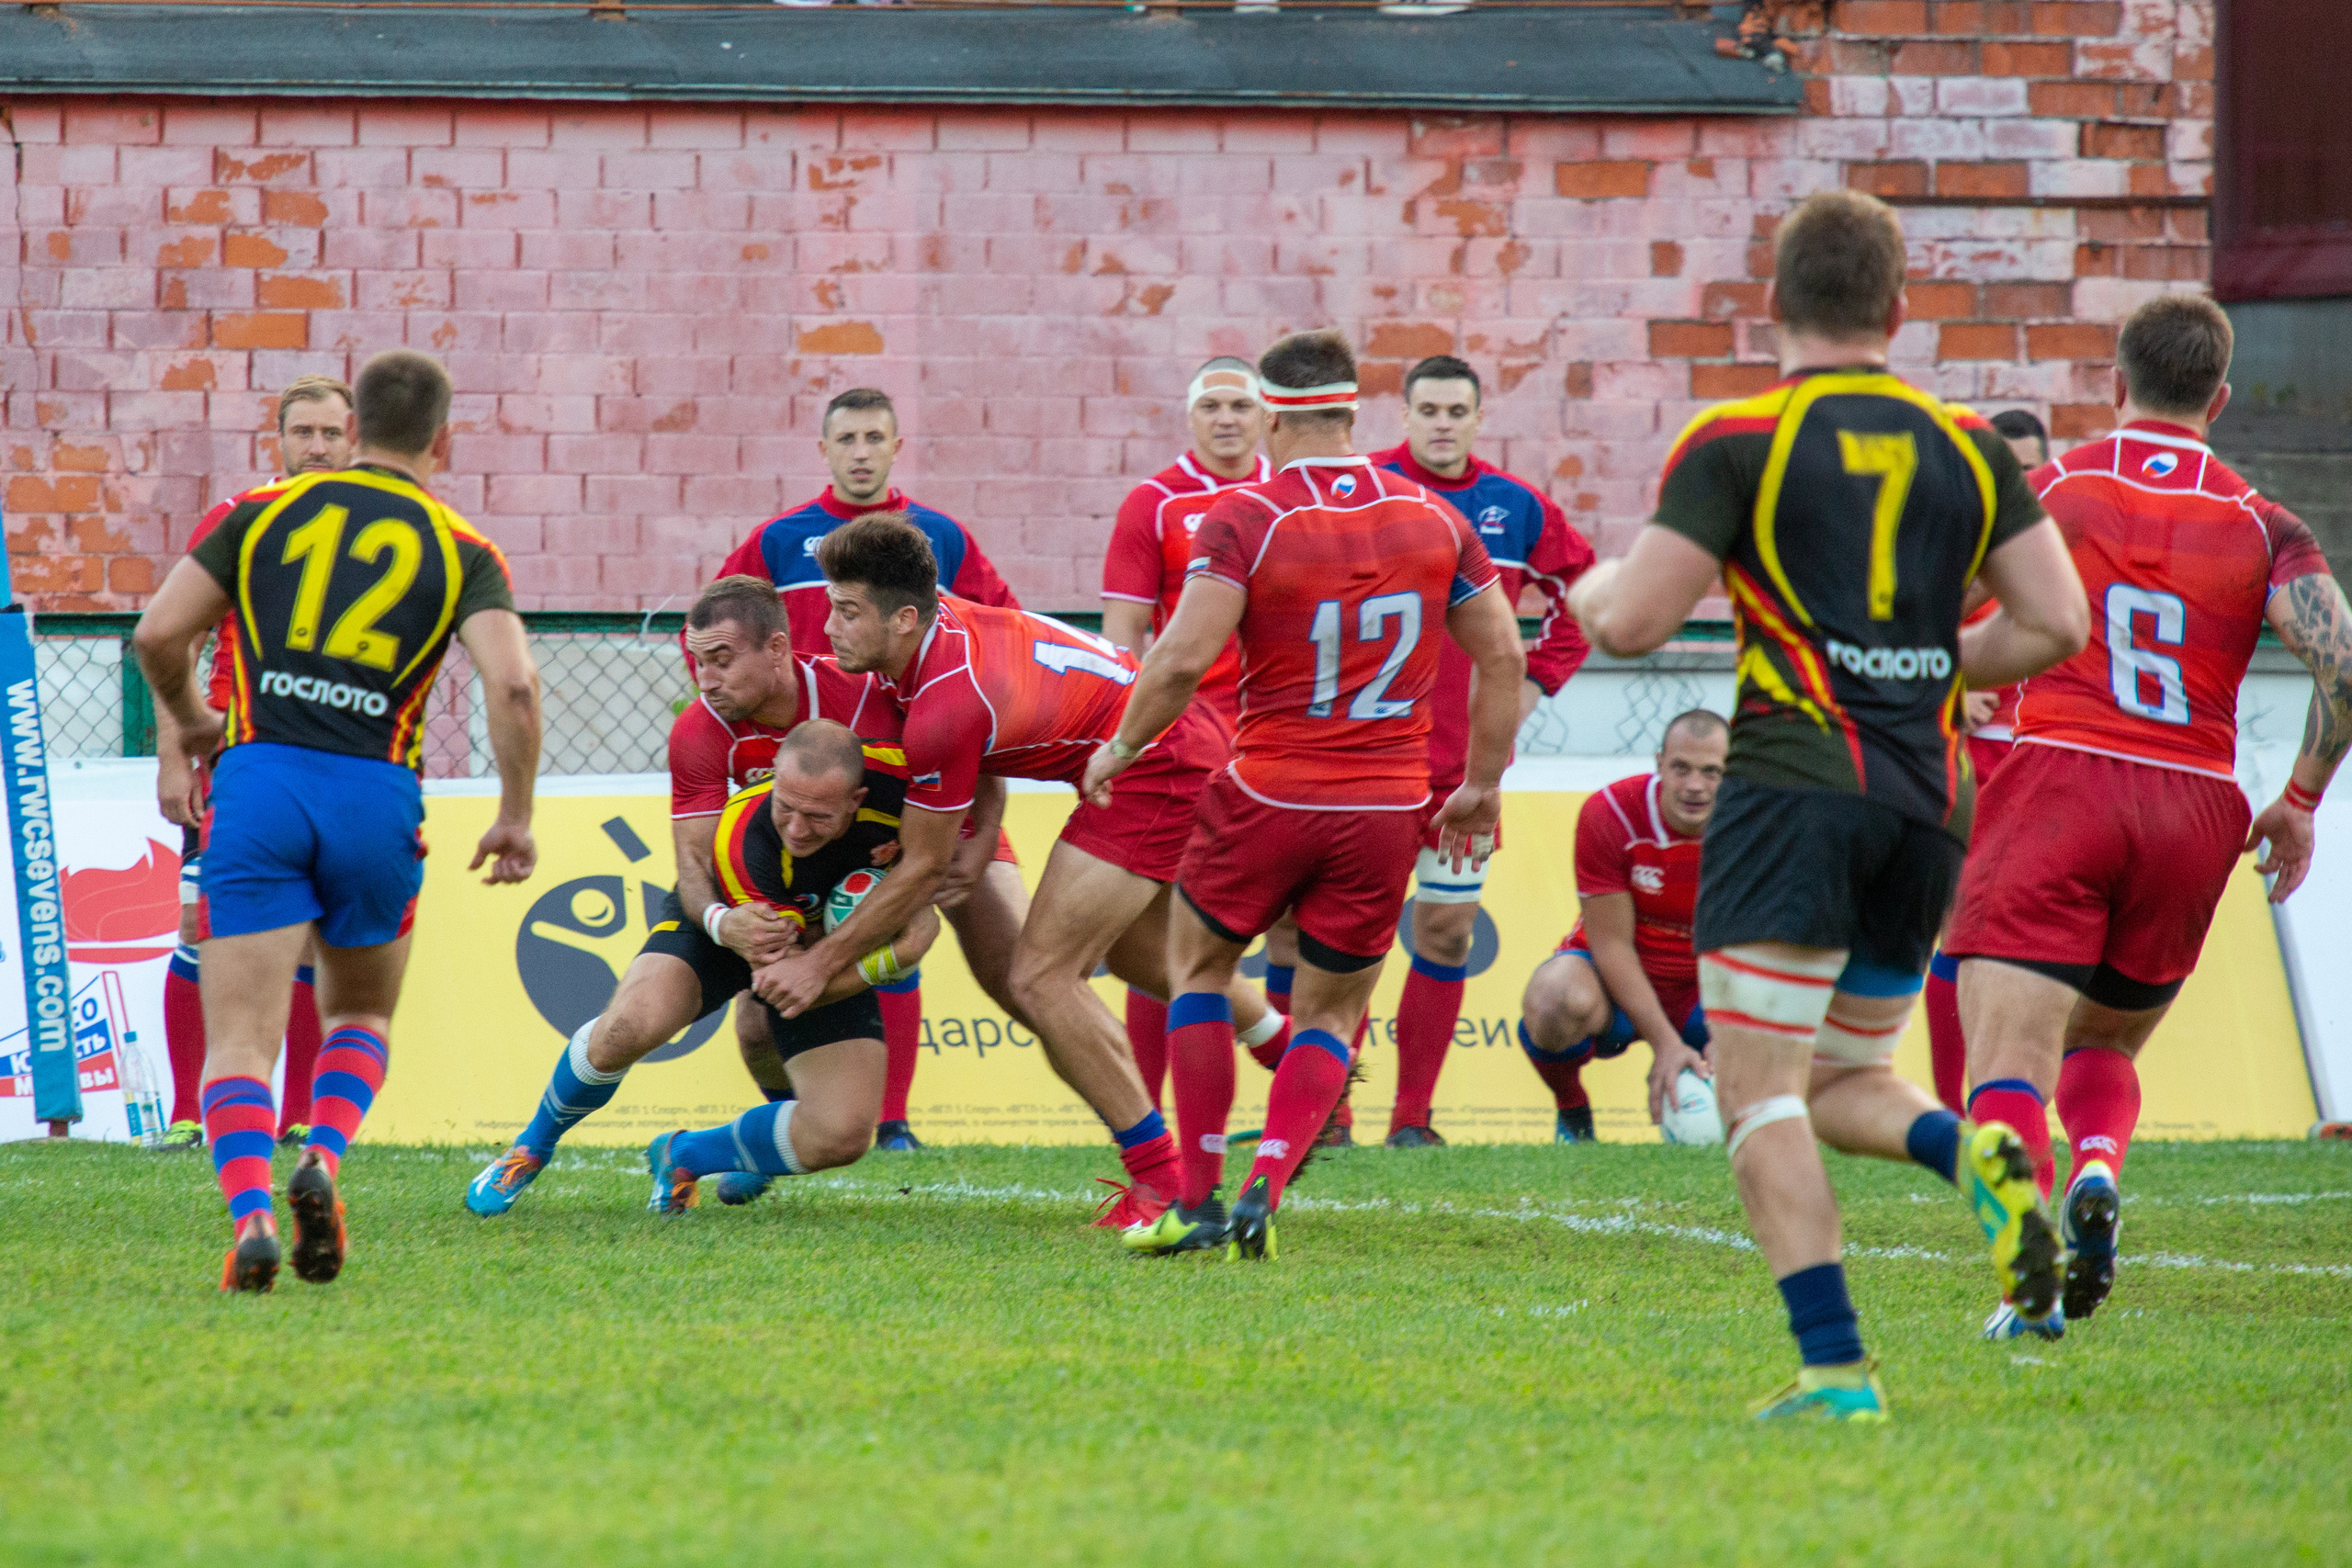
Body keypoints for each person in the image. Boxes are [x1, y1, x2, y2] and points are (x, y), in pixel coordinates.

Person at [1566, 190, 2089, 1418]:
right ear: (1900, 311)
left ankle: (1837, 1368)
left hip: (1794, 784)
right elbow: (2057, 621)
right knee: (1851, 1072)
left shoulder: (1738, 438)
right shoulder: (1967, 441)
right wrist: (1927, 670)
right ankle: (1979, 1151)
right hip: (1931, 793)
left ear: (1773, 306)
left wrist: (1589, 590)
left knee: (1760, 1094)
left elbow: (1637, 621)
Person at [1944, 294, 2352, 1337]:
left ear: (2113, 384)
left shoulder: (2050, 491)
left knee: (2002, 1069)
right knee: (2106, 1050)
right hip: (2194, 808)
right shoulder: (2266, 521)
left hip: (2058, 783)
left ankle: (2024, 1295)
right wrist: (2299, 801)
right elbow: (2343, 663)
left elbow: (1934, 619)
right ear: (2217, 398)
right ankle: (2095, 1166)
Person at [1090, 329, 1527, 1260]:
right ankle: (1267, 1189)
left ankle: (1199, 1199)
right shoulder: (1431, 517)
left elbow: (1177, 658)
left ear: (1272, 414)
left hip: (1268, 791)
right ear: (1353, 410)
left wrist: (1121, 745)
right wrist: (1481, 786)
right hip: (1386, 807)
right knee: (1331, 1012)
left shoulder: (1248, 515)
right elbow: (1505, 655)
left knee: (1199, 969)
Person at [133, 349, 542, 1292]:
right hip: (375, 791)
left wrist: (192, 720)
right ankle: (322, 1154)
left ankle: (249, 1220)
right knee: (359, 1010)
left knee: (240, 1039)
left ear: (350, 430)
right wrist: (515, 814)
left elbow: (158, 632)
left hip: (261, 782)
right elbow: (512, 684)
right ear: (443, 440)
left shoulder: (256, 514)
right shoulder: (465, 551)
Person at [759, 514, 1282, 1231]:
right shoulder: (942, 630)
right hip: (1161, 739)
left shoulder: (941, 700)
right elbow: (1000, 727)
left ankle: (1164, 1184)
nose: (830, 624)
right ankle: (1286, 1046)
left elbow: (922, 868)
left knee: (1039, 976)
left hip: (1154, 761)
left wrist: (821, 963)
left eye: (847, 610)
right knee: (1134, 954)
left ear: (904, 617)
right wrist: (986, 828)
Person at [463, 577, 899, 1215]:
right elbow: (694, 864)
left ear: (778, 648)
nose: (705, 678)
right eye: (696, 661)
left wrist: (911, 870)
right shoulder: (700, 730)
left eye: (722, 659)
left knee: (841, 1130)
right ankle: (530, 1147)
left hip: (826, 929)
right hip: (730, 911)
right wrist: (728, 926)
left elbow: (939, 788)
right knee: (628, 1025)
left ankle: (689, 1152)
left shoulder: (862, 700)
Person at [715, 386, 1023, 1150]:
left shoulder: (940, 537)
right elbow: (721, 635)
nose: (860, 450)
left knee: (1025, 969)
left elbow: (1004, 636)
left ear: (895, 447)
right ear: (824, 450)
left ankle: (894, 1121)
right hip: (825, 791)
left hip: (933, 779)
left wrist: (990, 806)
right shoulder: (780, 541)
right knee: (854, 926)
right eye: (846, 437)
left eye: (873, 437)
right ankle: (826, 1116)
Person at [1367, 355, 1595, 1146]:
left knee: (1447, 932)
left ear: (1475, 418)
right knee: (1340, 940)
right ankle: (1324, 1116)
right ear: (1403, 414)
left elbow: (1581, 592)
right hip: (1365, 767)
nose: (1440, 423)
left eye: (1455, 411)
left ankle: (1412, 1123)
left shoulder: (1517, 508)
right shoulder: (1365, 491)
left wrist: (1535, 686)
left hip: (1466, 775)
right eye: (1426, 408)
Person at [156, 375, 353, 1154]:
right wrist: (174, 754)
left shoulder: (382, 534)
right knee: (200, 924)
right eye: (301, 432)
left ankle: (298, 1112)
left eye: (330, 434)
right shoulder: (241, 520)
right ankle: (187, 1112)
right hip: (236, 758)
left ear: (353, 442)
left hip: (338, 759)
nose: (314, 447)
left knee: (308, 937)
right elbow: (180, 638)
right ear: (277, 440)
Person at [1100, 357, 1284, 1105]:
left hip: (1282, 738)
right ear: (1191, 416)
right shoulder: (1153, 502)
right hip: (1190, 744)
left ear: (1267, 414)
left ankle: (1312, 1099)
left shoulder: (1290, 496)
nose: (1227, 417)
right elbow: (1123, 643)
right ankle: (1147, 1105)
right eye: (1212, 404)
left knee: (1301, 921)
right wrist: (1133, 738)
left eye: (1241, 403)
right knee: (1165, 924)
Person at [1919, 409, 2050, 1114]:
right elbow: (1885, 651)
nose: (2020, 484)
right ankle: (1956, 1113)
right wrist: (1946, 692)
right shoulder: (1946, 557)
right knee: (1960, 928)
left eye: (2029, 470)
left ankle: (2017, 1104)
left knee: (2040, 953)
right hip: (1961, 774)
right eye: (2007, 470)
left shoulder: (2060, 551)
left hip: (2050, 774)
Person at [1519, 709, 1726, 1141]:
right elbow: (1611, 945)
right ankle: (1573, 1115)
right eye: (1681, 768)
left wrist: (1737, 1032)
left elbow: (1758, 943)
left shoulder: (1758, 826)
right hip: (1615, 983)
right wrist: (1666, 1044)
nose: (1694, 786)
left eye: (1711, 772)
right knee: (1552, 1001)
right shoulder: (1611, 812)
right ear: (1658, 763)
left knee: (1805, 1009)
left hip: (1705, 990)